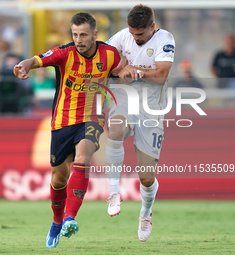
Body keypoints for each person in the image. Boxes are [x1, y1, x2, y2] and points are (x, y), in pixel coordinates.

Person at [13, 12, 120, 248]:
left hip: (92, 118)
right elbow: (36, 60)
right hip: (62, 121)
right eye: (75, 34)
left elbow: (123, 68)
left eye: (83, 35)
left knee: (83, 158)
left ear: (95, 34)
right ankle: (57, 220)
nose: (78, 39)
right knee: (58, 178)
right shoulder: (65, 53)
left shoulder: (110, 54)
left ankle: (71, 218)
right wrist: (24, 65)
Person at [105, 4, 175, 242]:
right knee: (114, 131)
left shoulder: (165, 39)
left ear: (152, 28)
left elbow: (162, 75)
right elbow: (104, 64)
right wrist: (120, 68)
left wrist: (136, 69)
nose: (135, 38)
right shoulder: (121, 37)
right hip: (125, 101)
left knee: (146, 177)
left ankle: (145, 213)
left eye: (140, 35)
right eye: (132, 33)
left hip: (151, 110)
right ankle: (114, 193)